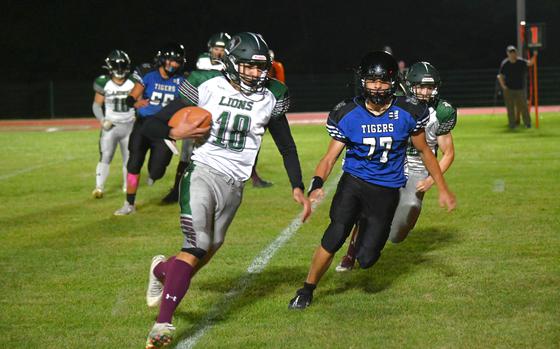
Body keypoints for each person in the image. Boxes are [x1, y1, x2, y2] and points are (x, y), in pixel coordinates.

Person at [141, 32, 311, 348]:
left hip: (235, 185)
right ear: (232, 63)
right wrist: (171, 130)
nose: (256, 74)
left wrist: (297, 185)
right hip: (203, 172)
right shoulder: (206, 84)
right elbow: (150, 124)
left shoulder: (271, 96)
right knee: (197, 243)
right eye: (248, 67)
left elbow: (286, 145)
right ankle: (162, 324)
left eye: (261, 68)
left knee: (209, 247)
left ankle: (161, 269)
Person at [287, 51, 456, 310]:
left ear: (393, 82)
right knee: (334, 235)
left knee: (367, 259)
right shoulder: (347, 112)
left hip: (387, 190)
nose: (377, 87)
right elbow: (330, 157)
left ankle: (363, 227)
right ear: (362, 81)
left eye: (383, 81)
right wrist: (317, 185)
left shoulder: (408, 111)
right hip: (354, 183)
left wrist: (442, 188)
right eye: (372, 81)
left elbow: (425, 152)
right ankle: (307, 288)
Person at [336, 61, 457, 272]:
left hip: (419, 166)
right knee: (365, 208)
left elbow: (449, 153)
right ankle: (351, 252)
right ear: (410, 85)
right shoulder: (397, 104)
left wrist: (432, 180)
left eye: (429, 87)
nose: (425, 91)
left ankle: (378, 236)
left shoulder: (442, 111)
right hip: (392, 161)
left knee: (402, 224)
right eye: (420, 86)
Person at [114, 43, 187, 215]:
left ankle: (153, 177)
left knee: (157, 171)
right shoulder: (149, 75)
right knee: (134, 163)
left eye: (177, 61)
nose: (174, 65)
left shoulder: (182, 80)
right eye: (171, 60)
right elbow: (131, 97)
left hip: (163, 129)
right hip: (144, 125)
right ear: (162, 59)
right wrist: (136, 102)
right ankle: (129, 204)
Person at [162, 33, 233, 203]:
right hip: (200, 112)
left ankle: (217, 190)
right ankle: (177, 189)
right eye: (216, 49)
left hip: (221, 112)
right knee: (187, 153)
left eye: (223, 49)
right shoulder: (204, 62)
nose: (219, 52)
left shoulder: (232, 64)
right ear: (210, 49)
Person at [91, 50, 136, 198]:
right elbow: (97, 105)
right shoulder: (104, 82)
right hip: (111, 127)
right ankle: (99, 187)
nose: (120, 69)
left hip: (130, 125)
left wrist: (139, 117)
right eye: (117, 66)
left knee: (129, 159)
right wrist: (102, 120)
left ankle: (127, 186)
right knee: (106, 156)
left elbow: (141, 102)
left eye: (122, 65)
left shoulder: (134, 82)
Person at [497, 45, 537, 129]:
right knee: (510, 108)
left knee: (524, 107)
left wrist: (535, 55)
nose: (513, 54)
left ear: (516, 53)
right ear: (508, 54)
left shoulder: (520, 62)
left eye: (514, 52)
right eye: (511, 52)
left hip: (520, 89)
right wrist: (503, 86)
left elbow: (530, 63)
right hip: (509, 89)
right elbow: (500, 76)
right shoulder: (505, 64)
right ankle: (512, 124)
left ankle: (527, 123)